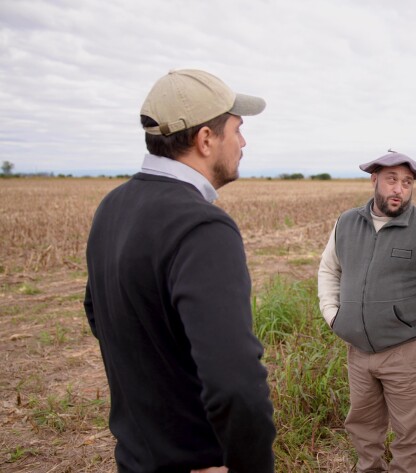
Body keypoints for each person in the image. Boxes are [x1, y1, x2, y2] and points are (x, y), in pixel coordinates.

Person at [84, 69, 276, 473]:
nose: (243, 142)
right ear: (206, 139)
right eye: (237, 130)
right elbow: (236, 384)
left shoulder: (112, 206)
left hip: (135, 455)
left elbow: (99, 315)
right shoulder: (202, 227)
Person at [317, 151, 416, 472]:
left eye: (407, 183)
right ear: (374, 180)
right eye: (392, 180)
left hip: (407, 352)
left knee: (411, 435)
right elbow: (328, 270)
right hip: (359, 352)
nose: (399, 189)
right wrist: (333, 315)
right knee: (363, 428)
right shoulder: (346, 223)